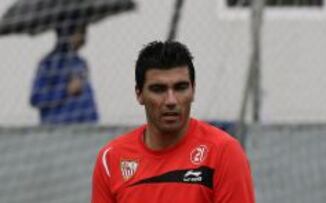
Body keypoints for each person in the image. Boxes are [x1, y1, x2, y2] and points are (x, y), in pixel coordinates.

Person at [91, 41, 255, 203]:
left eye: (180, 87)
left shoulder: (223, 152)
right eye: (158, 89)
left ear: (193, 90)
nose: (171, 100)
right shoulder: (111, 158)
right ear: (139, 94)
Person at [30, 24, 98, 124]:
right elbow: (36, 99)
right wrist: (65, 91)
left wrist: (94, 121)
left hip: (84, 128)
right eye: (80, 33)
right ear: (66, 34)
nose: (84, 38)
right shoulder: (48, 64)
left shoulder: (81, 63)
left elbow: (88, 99)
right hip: (57, 128)